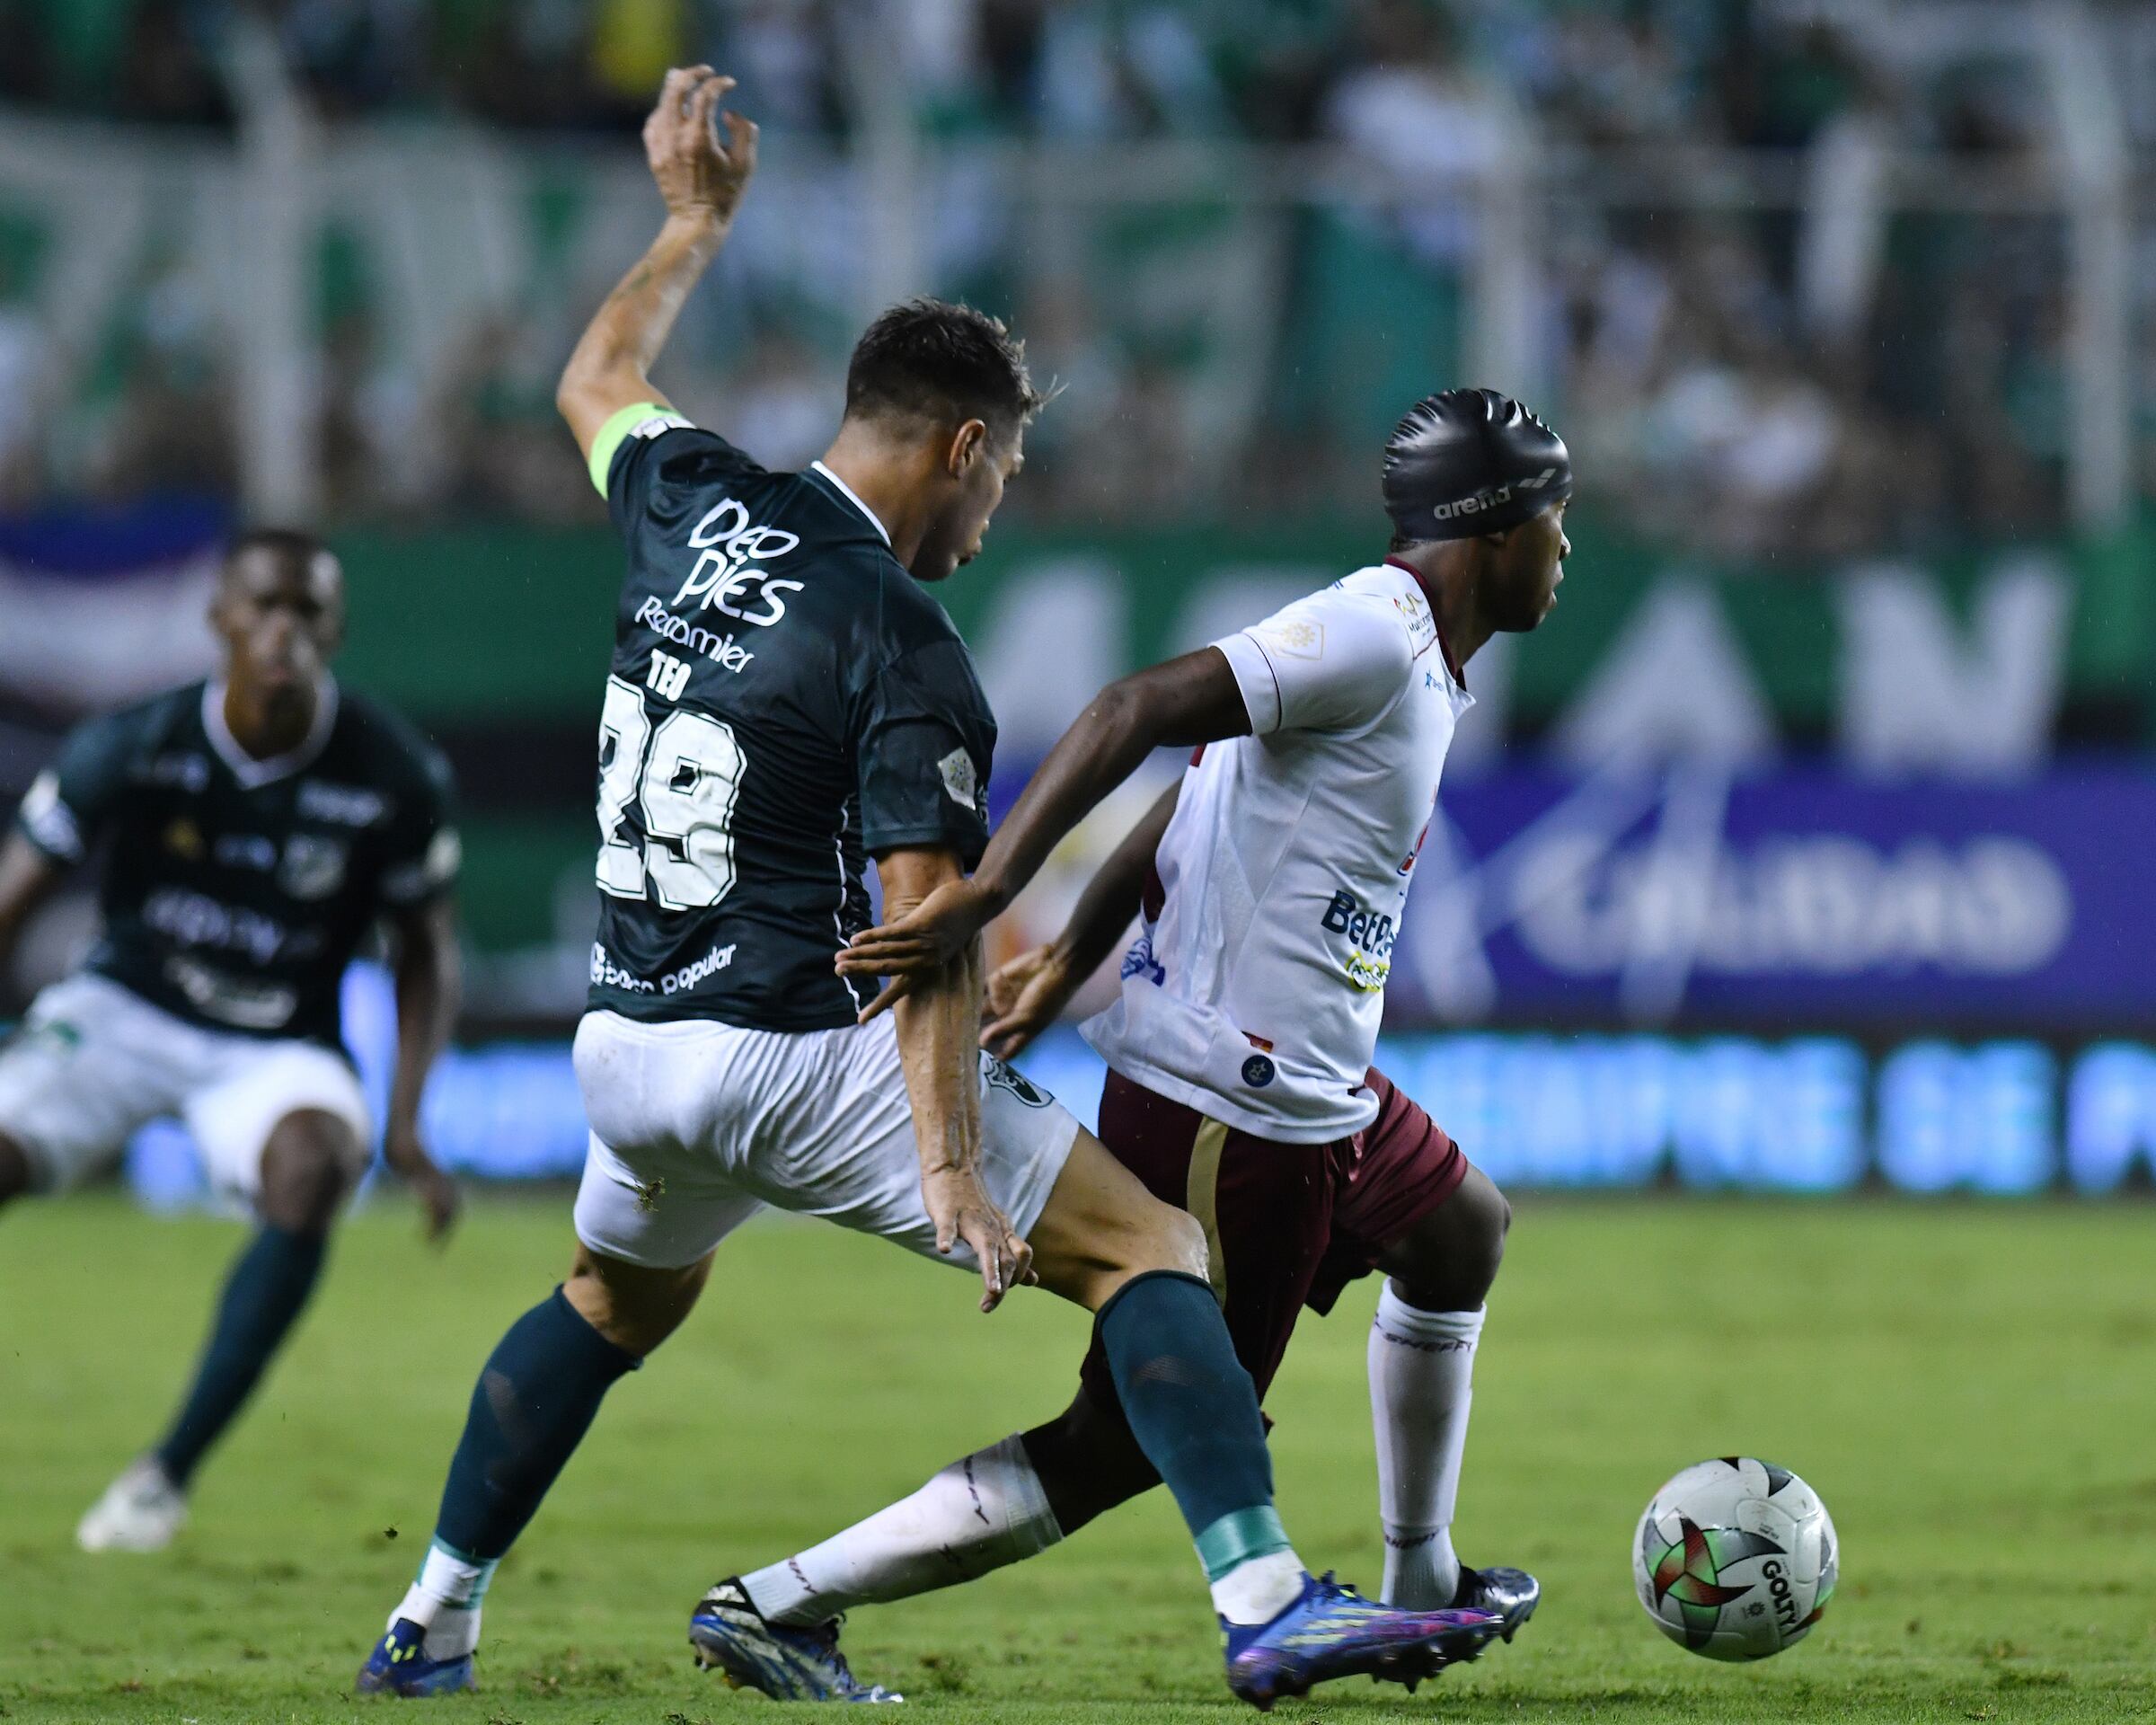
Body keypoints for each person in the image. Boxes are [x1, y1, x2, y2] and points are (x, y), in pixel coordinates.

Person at [355, 68, 1498, 1709]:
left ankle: (431, 1623)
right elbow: (929, 918)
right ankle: (1265, 1604)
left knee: (609, 1300)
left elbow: (595, 373)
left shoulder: (686, 500)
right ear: (964, 445)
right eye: (1006, 476)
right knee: (1155, 1253)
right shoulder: (899, 634)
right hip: (788, 1048)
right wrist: (956, 1160)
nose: (994, 512)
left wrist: (690, 226)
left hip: (626, 1045)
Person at [720, 388, 1573, 1692]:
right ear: (1497, 527)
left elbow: (1203, 782)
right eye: (1554, 521)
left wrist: (1073, 954)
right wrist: (1002, 900)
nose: (1565, 552)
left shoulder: (1400, 655)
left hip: (1314, 1091)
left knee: (1462, 1229)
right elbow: (1135, 708)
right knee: (1119, 1443)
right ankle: (777, 1601)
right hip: (1229, 1115)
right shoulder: (1370, 634)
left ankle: (1420, 1583)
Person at [0, 527, 464, 1552]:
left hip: (274, 1041)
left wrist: (407, 1121)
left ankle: (162, 1476)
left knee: (314, 1165)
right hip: (124, 1010)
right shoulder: (137, 742)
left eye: (306, 612)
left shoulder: (391, 773)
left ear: (335, 628)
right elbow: (15, 896)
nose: (283, 631)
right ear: (219, 620)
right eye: (263, 607)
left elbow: (426, 948)